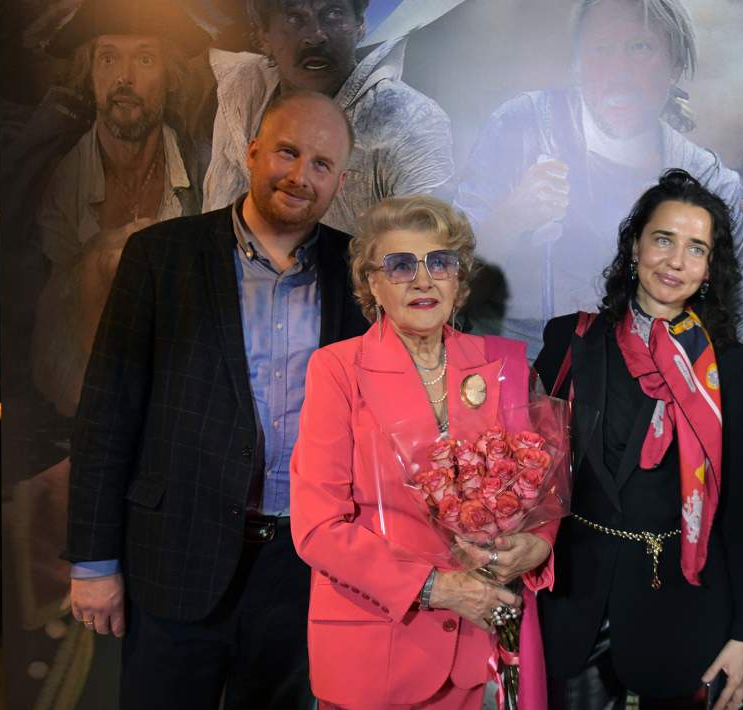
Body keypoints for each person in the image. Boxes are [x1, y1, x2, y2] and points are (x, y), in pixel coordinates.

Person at [66, 90, 369, 709]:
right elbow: (107, 413)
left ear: (340, 181)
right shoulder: (161, 256)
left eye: (321, 163)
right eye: (287, 152)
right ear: (252, 152)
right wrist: (93, 562)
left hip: (303, 568)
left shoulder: (359, 271)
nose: (300, 175)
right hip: (175, 556)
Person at [290, 194, 556, 708]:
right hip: (375, 651)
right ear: (372, 283)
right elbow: (318, 528)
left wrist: (539, 542)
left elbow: (537, 488)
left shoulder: (501, 366)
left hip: (481, 649)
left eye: (439, 263)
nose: (422, 280)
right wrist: (438, 588)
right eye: (400, 265)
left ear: (458, 279)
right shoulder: (338, 370)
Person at [533, 169, 743, 710]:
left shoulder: (727, 365)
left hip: (684, 608)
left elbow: (741, 508)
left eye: (696, 249)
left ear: (709, 269)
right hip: (575, 604)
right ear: (635, 247)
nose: (675, 261)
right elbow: (529, 473)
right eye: (663, 239)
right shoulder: (570, 338)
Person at [455, 0, 743, 356]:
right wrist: (511, 218)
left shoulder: (707, 182)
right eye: (601, 49)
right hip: (517, 376)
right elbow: (447, 287)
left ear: (676, 64)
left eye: (640, 47)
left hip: (646, 381)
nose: (618, 71)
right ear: (577, 64)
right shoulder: (524, 130)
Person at [33, 0, 211, 416]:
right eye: (108, 58)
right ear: (89, 72)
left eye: (145, 59)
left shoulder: (204, 168)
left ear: (170, 76)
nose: (124, 79)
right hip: (78, 401)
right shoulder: (59, 179)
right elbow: (49, 326)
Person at [203, 0, 455, 234]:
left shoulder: (409, 120)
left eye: (333, 14)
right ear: (263, 36)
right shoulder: (244, 94)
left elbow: (428, 245)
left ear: (360, 24)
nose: (316, 36)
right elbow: (220, 222)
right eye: (294, 17)